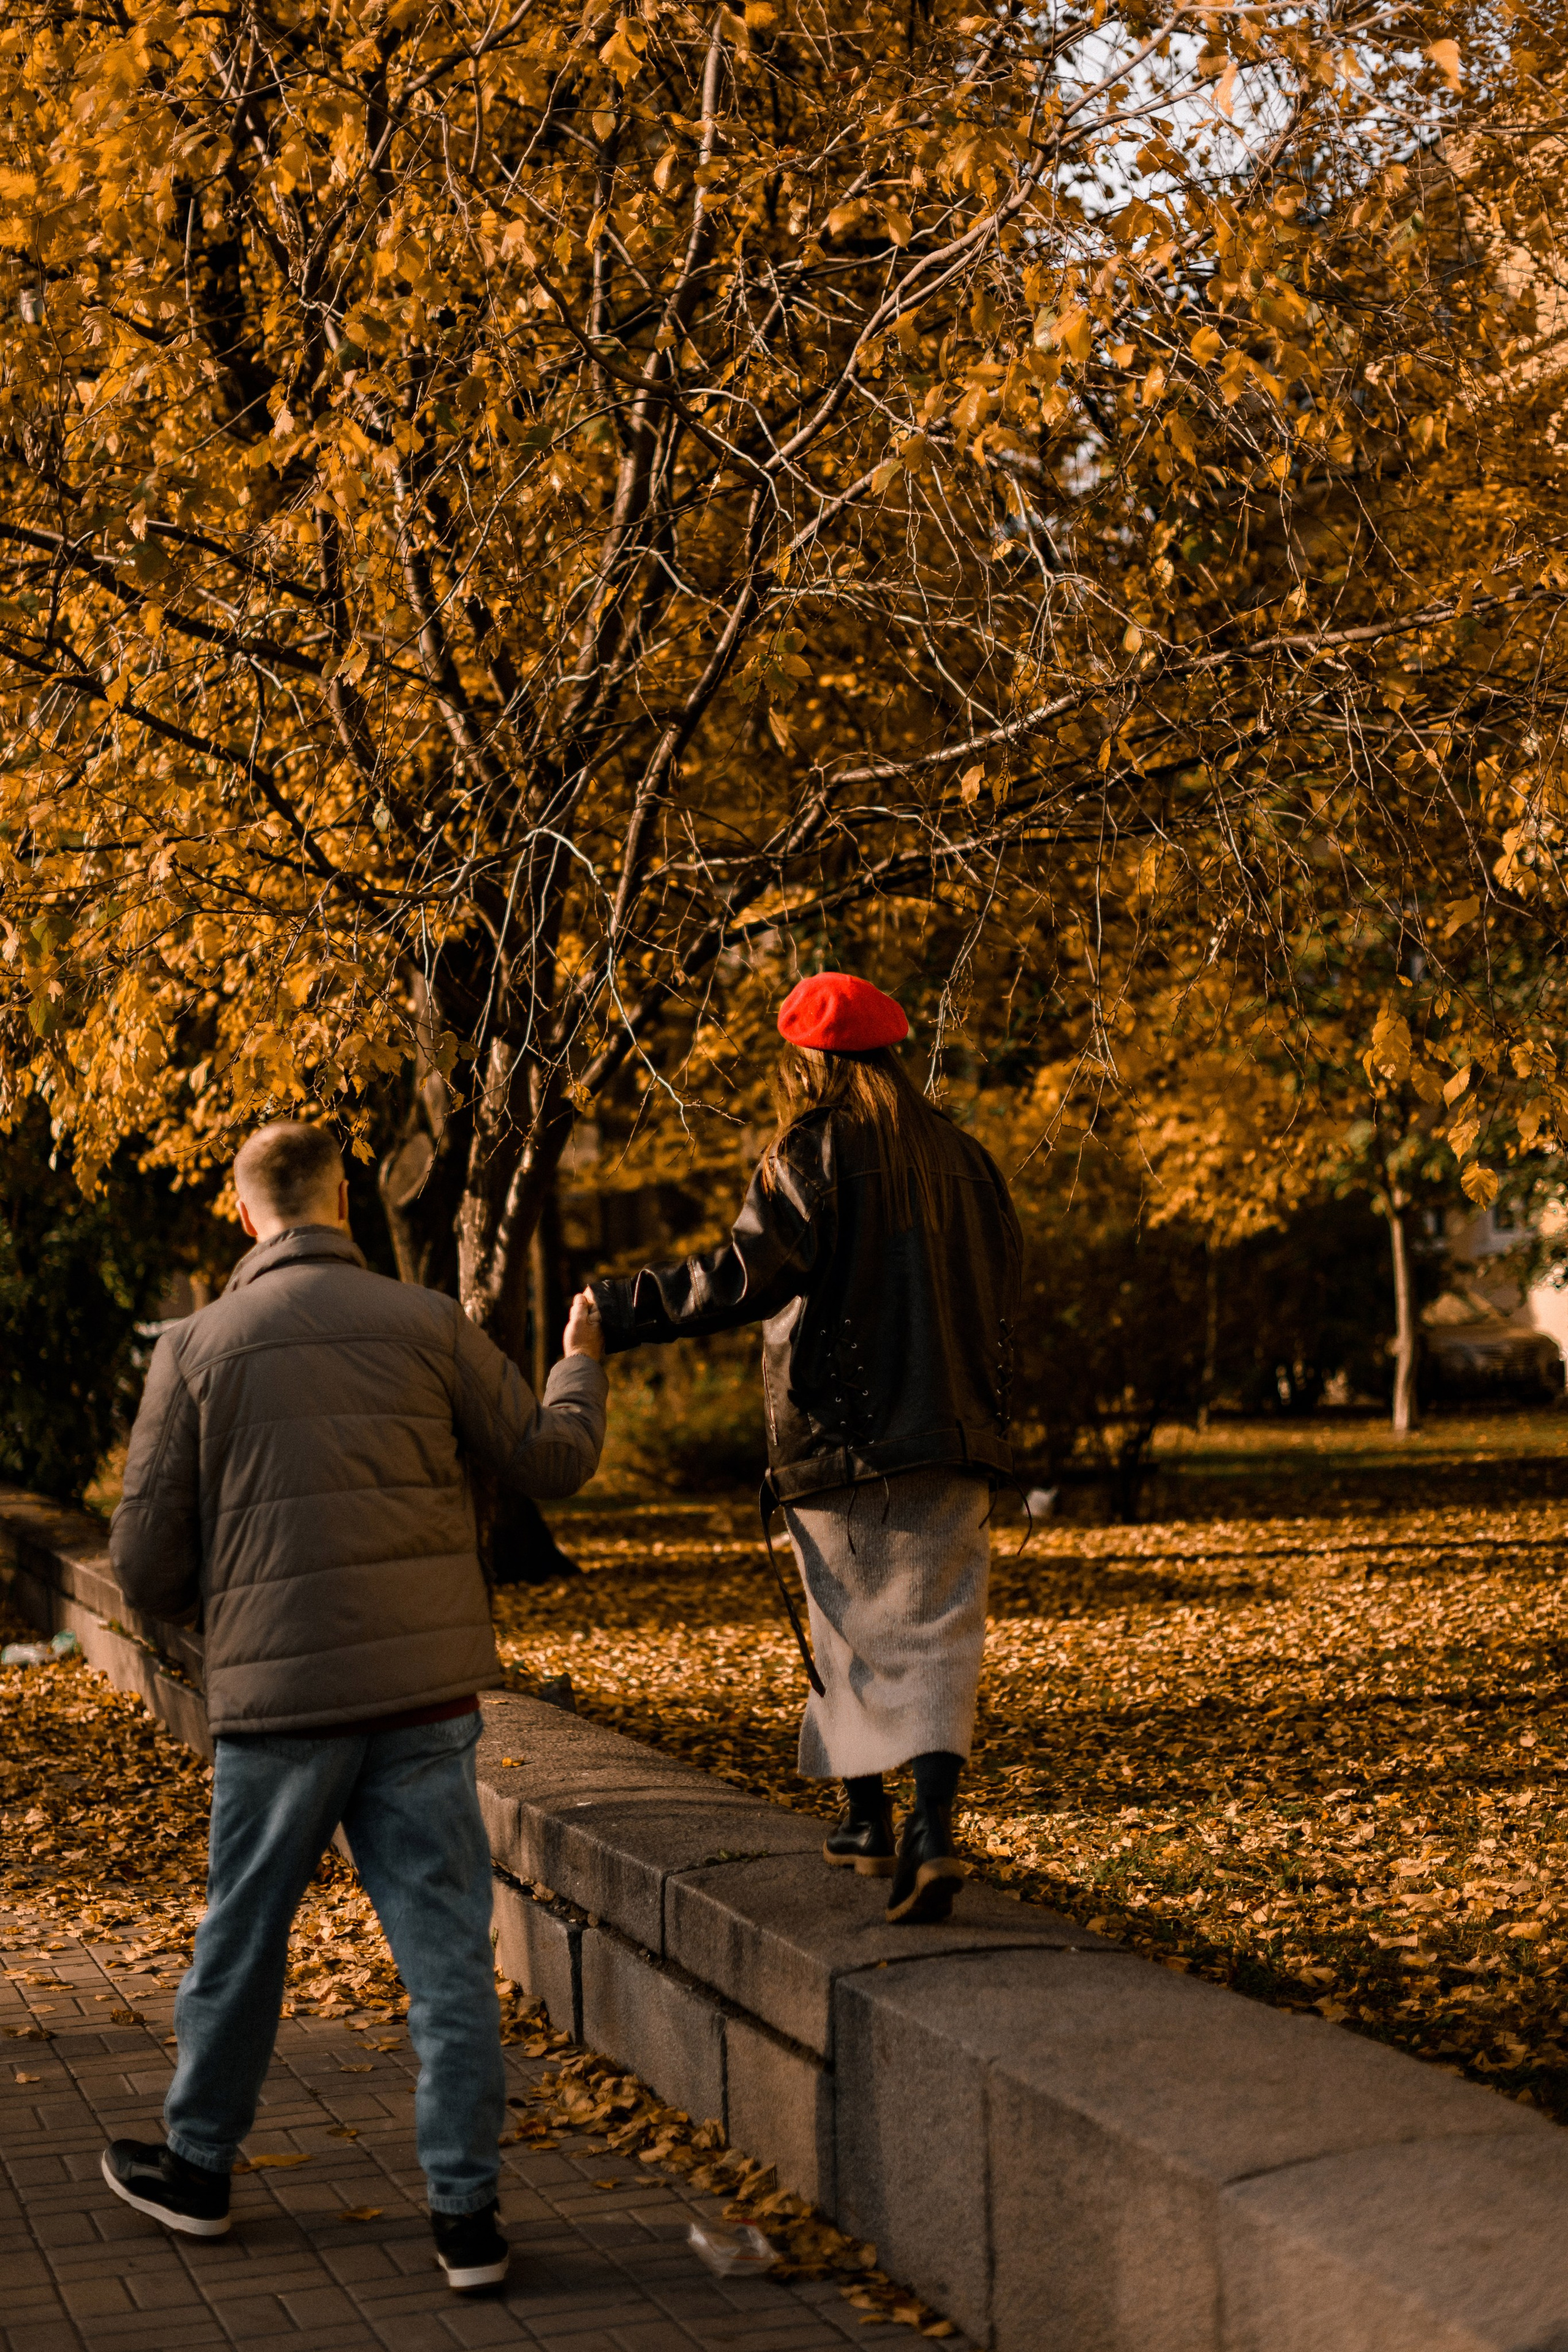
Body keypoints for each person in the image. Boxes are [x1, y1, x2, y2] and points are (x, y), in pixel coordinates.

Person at [102, 1120, 608, 2292]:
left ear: (243, 1213)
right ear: (345, 1201)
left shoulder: (195, 1345)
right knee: (445, 1957)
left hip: (278, 1708)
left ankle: (201, 2169)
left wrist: (222, 1627)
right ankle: (467, 2219)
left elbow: (140, 1561)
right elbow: (549, 1461)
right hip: (423, 1697)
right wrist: (580, 1359)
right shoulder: (429, 1324)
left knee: (243, 1935)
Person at [587, 972, 1020, 1924]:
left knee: (851, 1630)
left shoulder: (810, 1153)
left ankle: (874, 1818)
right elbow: (1003, 1293)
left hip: (844, 1432)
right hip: (954, 1429)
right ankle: (921, 1830)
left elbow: (743, 1276)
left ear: (810, 1059)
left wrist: (620, 1308)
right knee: (941, 1631)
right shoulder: (963, 1156)